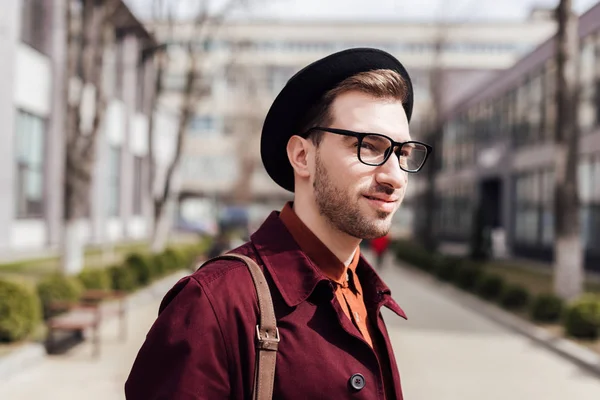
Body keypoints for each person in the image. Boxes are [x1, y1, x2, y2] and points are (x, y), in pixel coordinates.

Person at [125, 48, 432, 400]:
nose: (394, 176)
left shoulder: (364, 291)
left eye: (402, 153)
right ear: (302, 156)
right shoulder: (214, 305)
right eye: (369, 147)